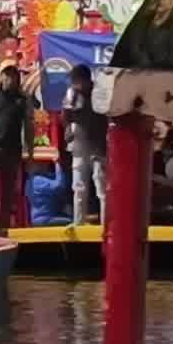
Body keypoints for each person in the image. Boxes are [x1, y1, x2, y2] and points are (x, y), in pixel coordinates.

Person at [0, 59, 31, 224]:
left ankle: (0, 224)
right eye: (7, 75)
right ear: (0, 77)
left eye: (14, 75)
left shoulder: (22, 100)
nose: (11, 79)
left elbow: (28, 125)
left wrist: (29, 150)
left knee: (8, 191)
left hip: (12, 150)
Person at [59, 63, 108, 226]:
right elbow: (65, 115)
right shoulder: (72, 94)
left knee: (100, 183)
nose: (74, 85)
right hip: (80, 142)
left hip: (99, 142)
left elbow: (108, 118)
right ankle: (78, 221)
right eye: (73, 82)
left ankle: (106, 222)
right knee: (78, 183)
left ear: (86, 80)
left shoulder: (100, 93)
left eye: (77, 81)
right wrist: (67, 129)